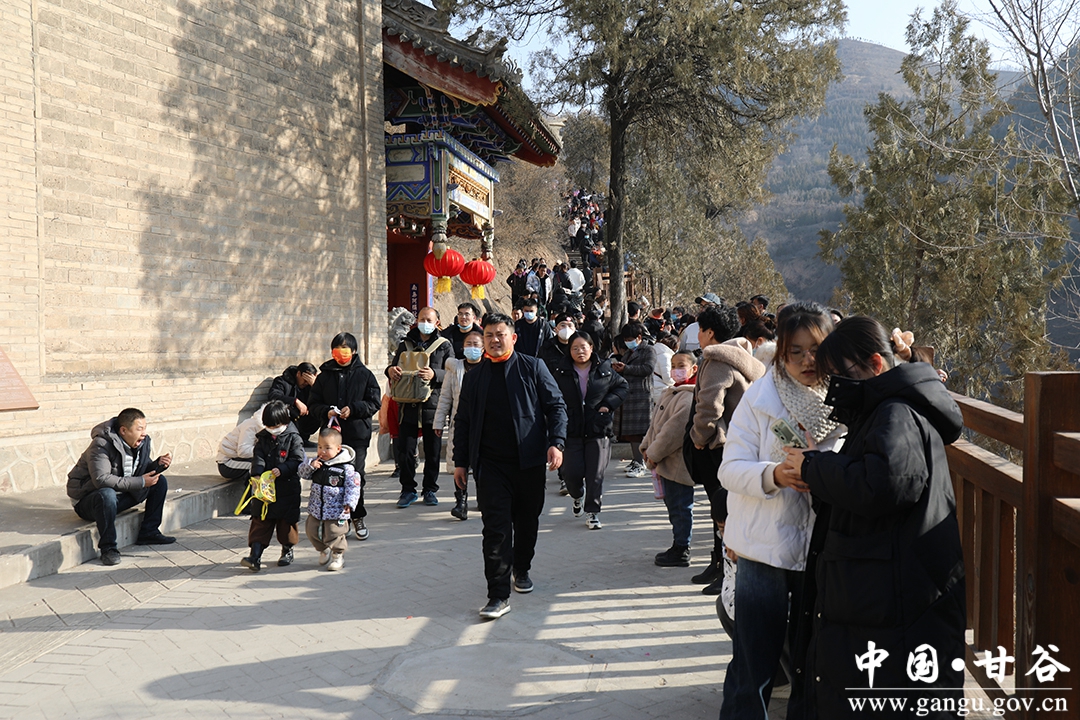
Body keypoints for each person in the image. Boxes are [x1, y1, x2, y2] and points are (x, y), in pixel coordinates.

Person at [782, 316, 965, 718]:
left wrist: (815, 467)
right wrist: (818, 474)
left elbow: (888, 483)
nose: (833, 387)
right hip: (882, 589)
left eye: (838, 375)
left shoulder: (895, 413)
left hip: (887, 597)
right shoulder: (885, 409)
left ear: (876, 365)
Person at [716, 301, 842, 719]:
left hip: (820, 549)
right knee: (753, 661)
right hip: (762, 546)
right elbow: (729, 469)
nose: (807, 361)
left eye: (816, 350)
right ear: (781, 353)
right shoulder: (759, 398)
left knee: (812, 662)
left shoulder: (846, 400)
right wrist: (775, 475)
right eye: (796, 352)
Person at [453, 313, 568, 620]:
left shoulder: (533, 367)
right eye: (489, 335)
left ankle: (522, 567)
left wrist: (556, 442)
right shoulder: (475, 377)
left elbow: (556, 406)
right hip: (490, 465)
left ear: (513, 337)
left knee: (527, 522)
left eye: (500, 334)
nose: (494, 340)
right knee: (496, 529)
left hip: (529, 462)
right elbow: (463, 421)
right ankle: (498, 594)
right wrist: (460, 462)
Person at [684, 304, 766, 595]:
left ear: (710, 333)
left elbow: (709, 405)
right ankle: (718, 562)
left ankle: (728, 569)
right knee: (724, 506)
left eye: (700, 330)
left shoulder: (718, 360)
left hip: (719, 445)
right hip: (738, 442)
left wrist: (699, 436)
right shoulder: (740, 355)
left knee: (724, 508)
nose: (698, 335)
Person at [67, 408, 175, 566]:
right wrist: (141, 482)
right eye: (139, 429)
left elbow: (140, 470)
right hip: (89, 501)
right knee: (106, 494)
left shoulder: (142, 442)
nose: (144, 433)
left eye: (145, 428)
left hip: (118, 495)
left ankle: (149, 532)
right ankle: (108, 549)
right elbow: (101, 480)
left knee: (160, 481)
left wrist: (157, 465)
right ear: (124, 430)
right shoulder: (101, 444)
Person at [309, 332, 381, 540]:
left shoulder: (365, 375)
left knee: (355, 477)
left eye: (345, 350)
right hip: (330, 438)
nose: (341, 355)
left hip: (356, 435)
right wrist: (326, 412)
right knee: (330, 478)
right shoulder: (324, 376)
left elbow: (374, 402)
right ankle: (337, 520)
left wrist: (355, 409)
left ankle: (357, 517)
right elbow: (313, 404)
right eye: (337, 351)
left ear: (354, 351)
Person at [551, 332, 628, 529]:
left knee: (595, 475)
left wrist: (607, 405)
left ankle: (593, 512)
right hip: (572, 430)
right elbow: (551, 397)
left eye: (583, 347)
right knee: (571, 473)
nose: (580, 351)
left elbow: (622, 387)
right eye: (575, 348)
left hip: (598, 429)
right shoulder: (560, 371)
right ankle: (577, 495)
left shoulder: (604, 369)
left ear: (591, 348)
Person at [387, 306, 452, 508]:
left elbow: (451, 373)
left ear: (437, 323)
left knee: (432, 451)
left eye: (429, 320)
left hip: (433, 405)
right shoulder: (405, 343)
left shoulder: (444, 345)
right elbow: (393, 366)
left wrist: (435, 374)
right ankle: (407, 490)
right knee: (406, 451)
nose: (425, 323)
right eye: (422, 319)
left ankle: (430, 489)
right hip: (407, 405)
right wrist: (390, 370)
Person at [642, 352, 699, 567]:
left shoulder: (689, 396)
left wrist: (654, 453)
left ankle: (682, 548)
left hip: (677, 463)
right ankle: (678, 544)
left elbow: (672, 432)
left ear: (694, 369)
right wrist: (646, 446)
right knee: (674, 505)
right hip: (664, 461)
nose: (676, 370)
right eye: (673, 365)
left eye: (681, 365)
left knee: (681, 506)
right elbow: (655, 424)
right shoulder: (672, 392)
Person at [241, 400, 305, 572]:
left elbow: (297, 460)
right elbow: (258, 457)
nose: (272, 429)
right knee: (260, 520)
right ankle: (255, 556)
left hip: (287, 488)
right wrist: (256, 474)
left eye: (275, 426)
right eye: (268, 426)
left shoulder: (294, 438)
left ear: (284, 422)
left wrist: (282, 469)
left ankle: (287, 550)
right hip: (265, 489)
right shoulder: (262, 438)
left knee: (286, 523)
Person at [434, 330, 485, 520]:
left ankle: (482, 497)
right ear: (462, 347)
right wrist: (439, 422)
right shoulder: (454, 369)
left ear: (483, 348)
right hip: (460, 423)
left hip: (483, 425)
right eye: (468, 344)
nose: (472, 348)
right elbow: (445, 397)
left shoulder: (488, 368)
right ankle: (461, 501)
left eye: (476, 344)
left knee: (481, 464)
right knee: (460, 462)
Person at [299, 426, 362, 571]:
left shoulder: (345, 468)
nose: (322, 451)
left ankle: (338, 555)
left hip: (336, 510)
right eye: (320, 447)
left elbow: (353, 487)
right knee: (311, 530)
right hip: (316, 508)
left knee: (334, 533)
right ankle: (323, 549)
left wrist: (349, 503)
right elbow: (302, 473)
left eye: (327, 448)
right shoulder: (316, 463)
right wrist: (311, 466)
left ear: (338, 449)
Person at [612, 322, 655, 478]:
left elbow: (648, 368)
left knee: (638, 433)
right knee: (630, 433)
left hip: (640, 397)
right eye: (626, 340)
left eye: (630, 339)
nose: (627, 342)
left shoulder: (648, 350)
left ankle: (641, 462)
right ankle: (636, 460)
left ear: (639, 337)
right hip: (629, 396)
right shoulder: (629, 352)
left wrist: (626, 368)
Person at [267, 362, 319, 441]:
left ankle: (303, 439)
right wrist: (295, 401)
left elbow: (325, 398)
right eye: (305, 380)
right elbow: (273, 396)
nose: (306, 383)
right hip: (289, 416)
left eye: (308, 381)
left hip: (305, 417)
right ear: (298, 374)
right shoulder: (282, 381)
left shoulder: (310, 385)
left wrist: (315, 386)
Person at [216, 404, 265, 480]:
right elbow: (243, 451)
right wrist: (263, 450)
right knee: (258, 466)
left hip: (241, 459)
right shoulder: (251, 426)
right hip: (227, 463)